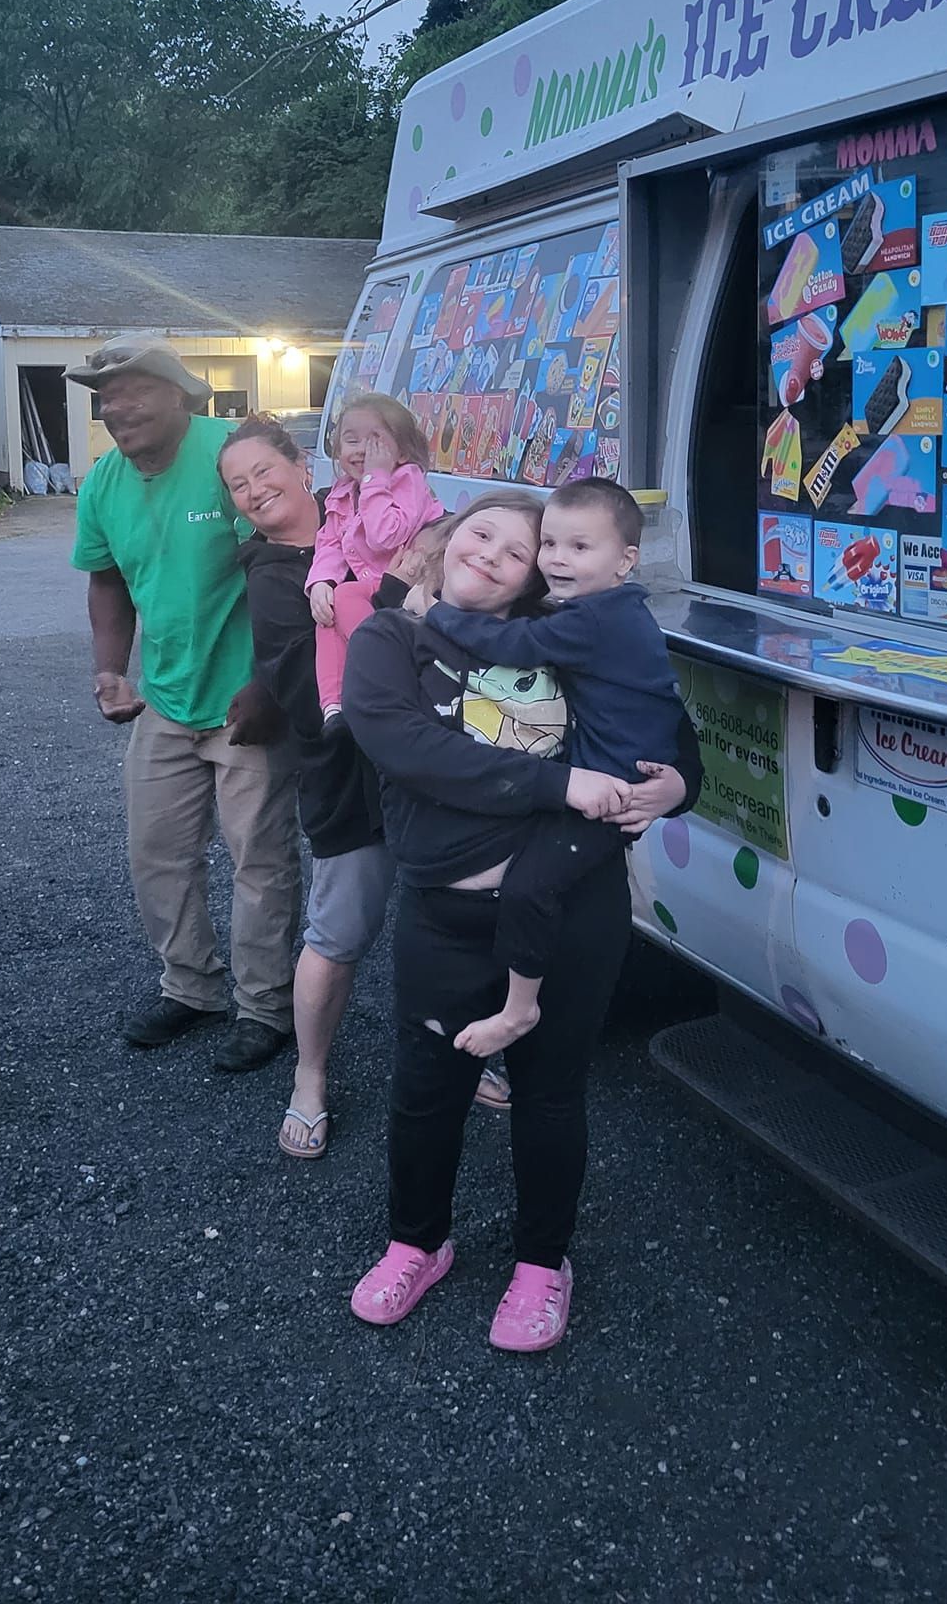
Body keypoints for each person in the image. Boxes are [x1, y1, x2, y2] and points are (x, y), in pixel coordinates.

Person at [342, 492, 689, 1352]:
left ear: (540, 574)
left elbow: (668, 727)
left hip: (576, 912)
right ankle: (416, 1242)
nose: (495, 553)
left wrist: (679, 785)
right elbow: (409, 749)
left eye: (520, 549)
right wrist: (559, 785)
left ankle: (543, 1263)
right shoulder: (394, 639)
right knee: (428, 1092)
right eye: (481, 533)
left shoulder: (567, 639)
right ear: (445, 542)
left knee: (550, 1092)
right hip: (446, 916)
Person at [67, 336, 301, 1072]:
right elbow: (106, 581)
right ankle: (192, 987)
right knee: (157, 854)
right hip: (167, 699)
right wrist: (111, 670)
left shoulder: (228, 458)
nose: (114, 408)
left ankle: (265, 1006)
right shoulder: (104, 482)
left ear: (179, 393)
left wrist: (271, 682)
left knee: (258, 860)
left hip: (248, 699)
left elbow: (285, 555)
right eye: (104, 398)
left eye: (131, 391)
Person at [424, 477, 702, 1060]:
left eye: (580, 548)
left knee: (529, 885)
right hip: (612, 777)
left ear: (626, 560)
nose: (557, 559)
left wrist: (436, 613)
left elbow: (513, 645)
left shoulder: (593, 619)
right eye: (549, 544)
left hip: (613, 791)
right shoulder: (611, 609)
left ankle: (519, 1010)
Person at [219, 414, 405, 1157]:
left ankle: (475, 1052)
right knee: (336, 933)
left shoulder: (361, 514)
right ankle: (310, 1077)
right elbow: (308, 688)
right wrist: (402, 591)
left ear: (302, 465)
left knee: (457, 923)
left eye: (264, 470)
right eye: (238, 485)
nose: (255, 490)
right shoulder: (269, 579)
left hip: (432, 767)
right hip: (346, 778)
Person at [306, 394, 443, 732]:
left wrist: (375, 480)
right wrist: (321, 582)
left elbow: (387, 535)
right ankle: (334, 707)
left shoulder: (406, 480)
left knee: (348, 596)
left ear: (403, 452)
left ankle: (387, 666)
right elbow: (330, 542)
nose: (363, 451)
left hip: (413, 584)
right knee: (326, 615)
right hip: (377, 588)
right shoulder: (341, 493)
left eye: (376, 442)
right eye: (351, 440)